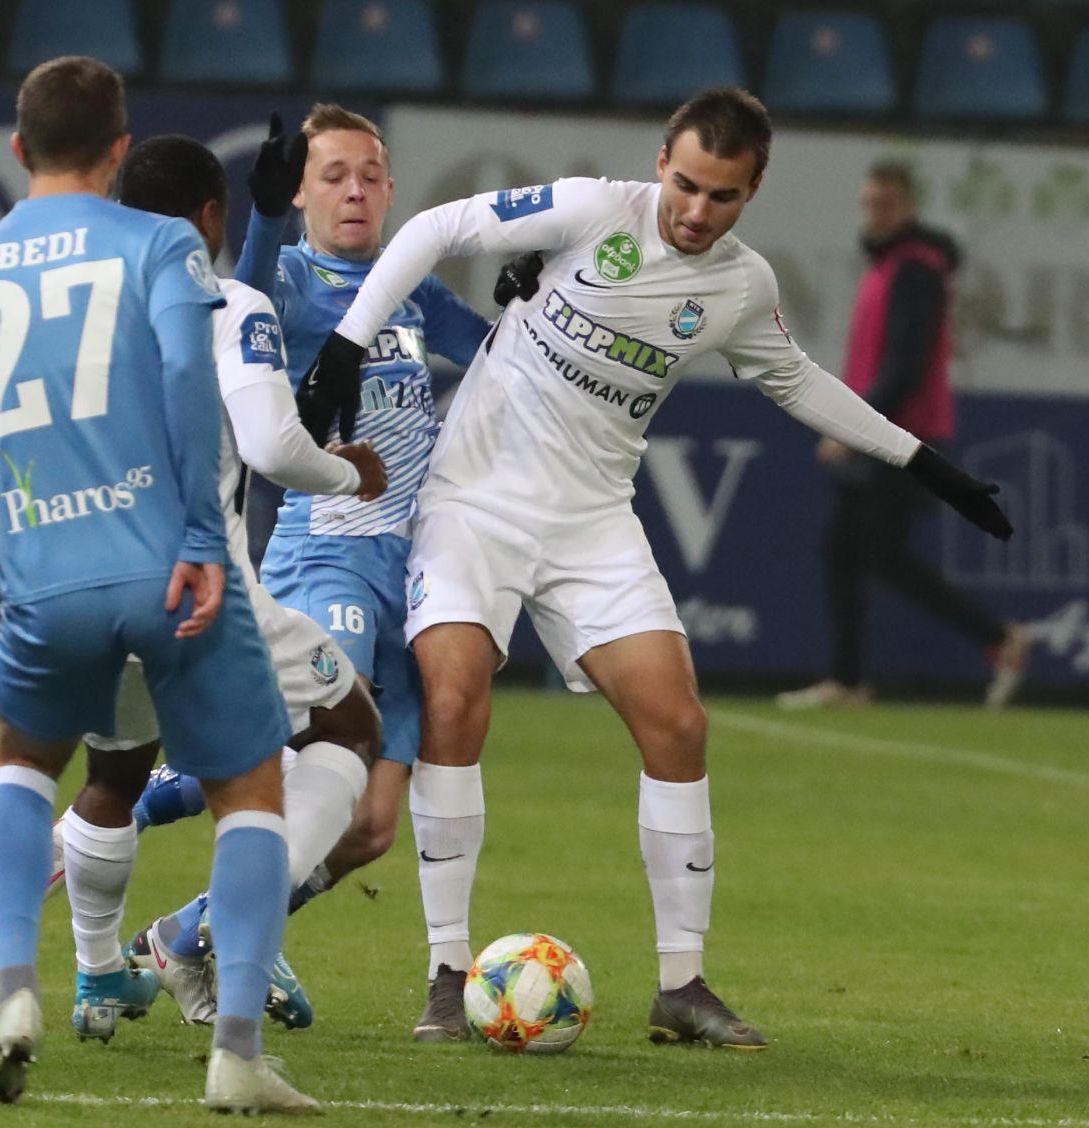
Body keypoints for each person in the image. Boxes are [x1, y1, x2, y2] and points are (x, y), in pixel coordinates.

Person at [294, 88, 1014, 1045]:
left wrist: (924, 463)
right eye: (686, 185)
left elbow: (797, 380)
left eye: (722, 195)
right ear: (661, 163)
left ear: (752, 191)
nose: (696, 210)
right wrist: (345, 347)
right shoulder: (594, 209)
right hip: (474, 503)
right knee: (456, 699)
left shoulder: (741, 287)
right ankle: (447, 972)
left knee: (678, 724)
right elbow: (433, 228)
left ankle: (681, 983)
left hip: (592, 521)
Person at [0, 57, 316, 1114]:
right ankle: (237, 1051)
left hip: (44, 584)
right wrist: (201, 531)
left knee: (24, 766)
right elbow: (185, 373)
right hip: (166, 572)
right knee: (250, 789)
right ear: (119, 150)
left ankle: (15, 993)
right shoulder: (159, 244)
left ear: (16, 148)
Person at [0, 133, 390, 1032]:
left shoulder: (68, 300)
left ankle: (98, 976)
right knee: (349, 724)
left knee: (116, 769)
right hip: (202, 593)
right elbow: (272, 446)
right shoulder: (229, 302)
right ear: (210, 218)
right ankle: (208, 937)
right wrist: (346, 473)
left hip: (79, 581)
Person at [129, 106, 540, 959]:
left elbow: (501, 361)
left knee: (370, 827)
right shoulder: (282, 281)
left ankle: (186, 937)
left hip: (413, 571)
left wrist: (535, 303)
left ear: (391, 192)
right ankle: (124, 804)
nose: (354, 190)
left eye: (370, 175)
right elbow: (244, 290)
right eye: (333, 175)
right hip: (328, 547)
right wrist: (264, 219)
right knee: (319, 727)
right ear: (302, 193)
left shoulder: (411, 288)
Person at [776, 160, 1030, 711]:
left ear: (909, 208)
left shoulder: (915, 269)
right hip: (884, 430)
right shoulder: (891, 266)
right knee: (847, 549)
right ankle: (849, 680)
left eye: (885, 204)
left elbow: (905, 366)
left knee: (878, 554)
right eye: (869, 203)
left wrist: (852, 424)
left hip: (903, 437)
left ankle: (999, 639)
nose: (874, 213)